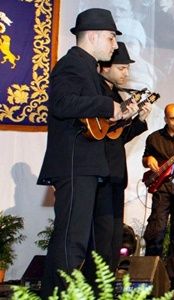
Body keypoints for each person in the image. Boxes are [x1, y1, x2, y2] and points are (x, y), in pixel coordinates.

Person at [36, 8, 126, 297]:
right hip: (75, 164)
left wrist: (114, 114)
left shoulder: (86, 67)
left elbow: (83, 114)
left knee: (75, 238)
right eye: (111, 38)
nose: (114, 45)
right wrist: (105, 105)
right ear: (94, 35)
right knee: (71, 240)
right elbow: (61, 103)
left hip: (84, 164)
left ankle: (57, 293)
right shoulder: (72, 64)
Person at [97, 41, 151, 271]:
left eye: (127, 68)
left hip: (116, 173)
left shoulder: (117, 95)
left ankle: (107, 282)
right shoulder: (96, 91)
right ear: (104, 68)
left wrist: (137, 120)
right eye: (122, 68)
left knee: (113, 235)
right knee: (101, 234)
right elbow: (97, 133)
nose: (126, 73)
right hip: (100, 172)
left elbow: (117, 136)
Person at [142, 104, 174, 291]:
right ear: (165, 119)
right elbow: (145, 158)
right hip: (161, 189)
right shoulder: (154, 138)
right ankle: (150, 278)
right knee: (156, 231)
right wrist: (149, 160)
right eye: (172, 118)